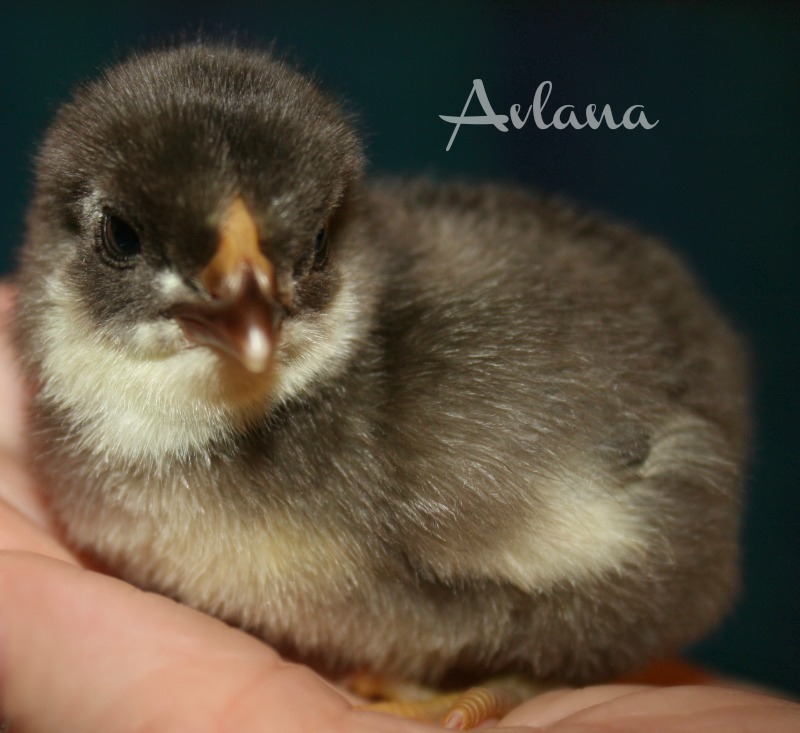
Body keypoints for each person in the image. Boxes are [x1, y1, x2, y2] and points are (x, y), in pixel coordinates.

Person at [0, 283, 797, 733]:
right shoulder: (73, 411)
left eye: (298, 252)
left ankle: (525, 669)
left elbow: (669, 518)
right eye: (129, 241)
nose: (247, 327)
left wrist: (520, 678)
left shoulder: (440, 436)